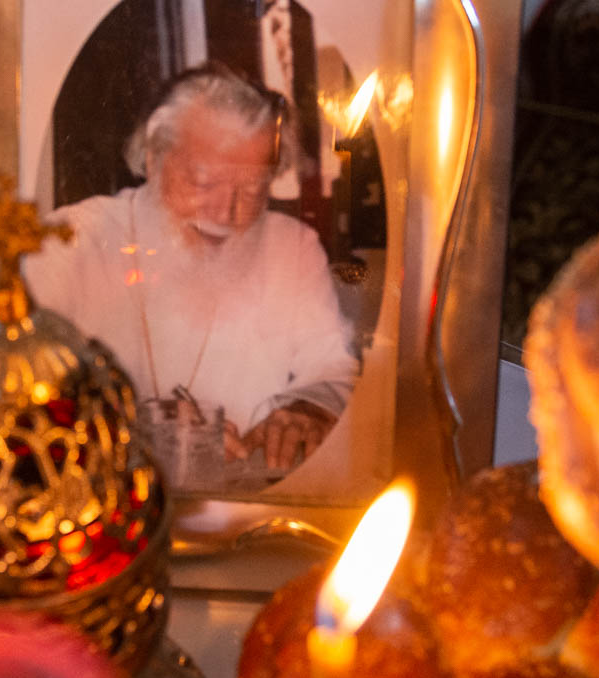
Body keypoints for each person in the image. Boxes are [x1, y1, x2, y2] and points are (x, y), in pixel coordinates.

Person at [24, 66, 358, 475]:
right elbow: (17, 392)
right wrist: (139, 426)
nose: (225, 212)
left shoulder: (293, 248)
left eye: (252, 189)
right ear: (153, 157)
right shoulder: (69, 241)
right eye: (202, 182)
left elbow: (332, 367)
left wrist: (308, 409)